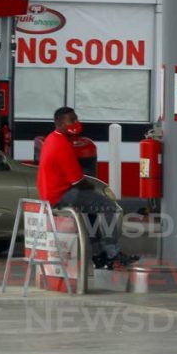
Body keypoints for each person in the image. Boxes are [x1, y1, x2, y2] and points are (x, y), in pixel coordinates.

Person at [37, 107, 137, 269]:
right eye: (72, 120)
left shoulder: (51, 138)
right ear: (61, 123)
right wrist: (93, 187)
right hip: (61, 194)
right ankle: (113, 252)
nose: (77, 123)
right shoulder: (62, 144)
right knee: (109, 206)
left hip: (52, 193)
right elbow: (78, 181)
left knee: (91, 211)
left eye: (77, 119)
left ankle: (99, 255)